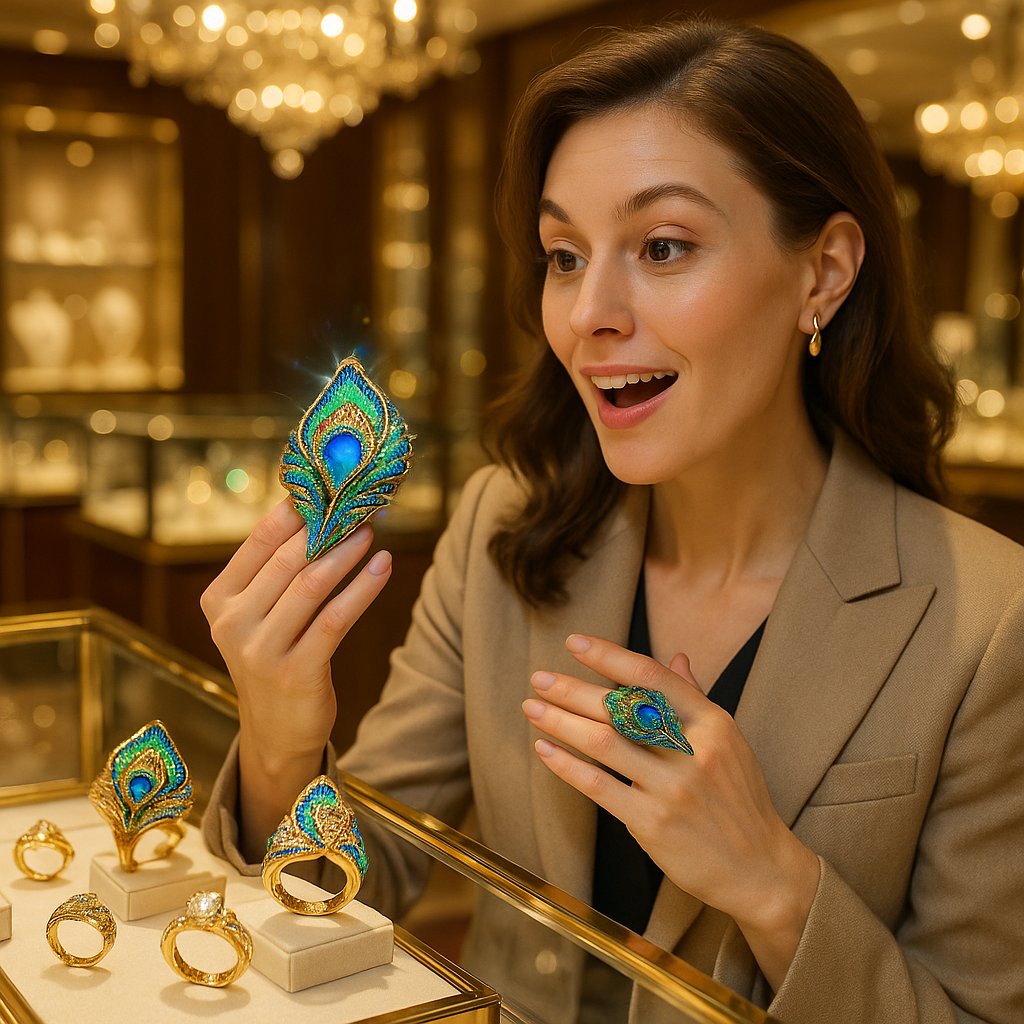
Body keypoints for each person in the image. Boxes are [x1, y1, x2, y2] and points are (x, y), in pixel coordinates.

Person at [200, 15, 1024, 1024]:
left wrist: (773, 882)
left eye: (663, 245)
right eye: (561, 254)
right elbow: (357, 886)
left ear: (824, 272)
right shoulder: (500, 526)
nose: (589, 311)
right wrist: (283, 746)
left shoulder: (989, 620)